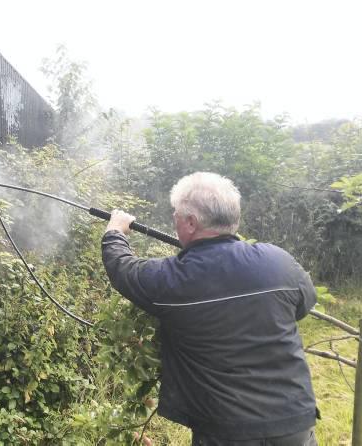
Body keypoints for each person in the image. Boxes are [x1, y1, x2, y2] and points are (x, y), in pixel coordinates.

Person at [101, 172, 318, 446]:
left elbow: (123, 269)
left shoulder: (175, 280)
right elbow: (303, 305)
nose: (174, 220)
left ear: (191, 223)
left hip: (226, 432)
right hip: (295, 423)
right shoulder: (279, 262)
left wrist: (115, 230)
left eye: (176, 215)